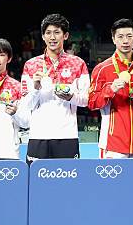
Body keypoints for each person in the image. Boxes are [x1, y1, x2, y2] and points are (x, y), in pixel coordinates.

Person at [20, 14, 89, 162]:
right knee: (36, 183)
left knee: (68, 183)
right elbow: (26, 105)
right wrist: (36, 88)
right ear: (43, 36)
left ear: (65, 35)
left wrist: (71, 97)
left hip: (67, 135)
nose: (52, 37)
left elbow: (86, 100)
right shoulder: (31, 65)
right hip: (39, 135)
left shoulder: (78, 64)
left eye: (57, 32)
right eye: (48, 33)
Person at [88, 19, 133, 158]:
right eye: (120, 36)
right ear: (113, 39)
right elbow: (92, 102)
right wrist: (110, 89)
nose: (125, 41)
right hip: (112, 144)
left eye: (129, 36)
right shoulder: (102, 69)